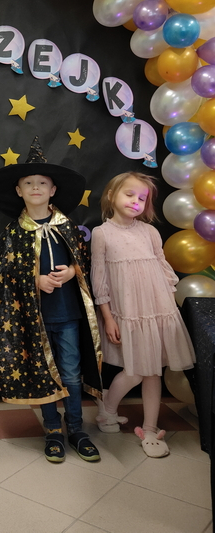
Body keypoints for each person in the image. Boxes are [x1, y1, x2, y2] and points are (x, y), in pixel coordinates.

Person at [0, 138, 102, 464]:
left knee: (71, 373)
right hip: (33, 319)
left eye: (42, 183)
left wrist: (72, 271)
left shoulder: (69, 227)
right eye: (28, 183)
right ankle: (52, 430)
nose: (35, 187)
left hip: (68, 315)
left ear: (53, 190)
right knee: (44, 375)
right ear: (18, 191)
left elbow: (86, 262)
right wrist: (33, 280)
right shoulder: (13, 234)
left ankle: (76, 429)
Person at [91, 171, 195, 457]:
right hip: (128, 313)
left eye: (142, 198)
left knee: (153, 372)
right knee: (136, 371)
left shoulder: (149, 232)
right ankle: (107, 409)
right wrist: (108, 317)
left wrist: (168, 309)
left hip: (157, 311)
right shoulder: (102, 234)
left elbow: (162, 269)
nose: (135, 201)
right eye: (129, 194)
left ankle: (150, 429)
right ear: (111, 195)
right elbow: (99, 279)